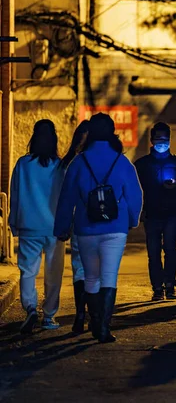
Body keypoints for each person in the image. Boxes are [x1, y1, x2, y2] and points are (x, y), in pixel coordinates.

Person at [54, 113, 143, 343]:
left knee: (91, 277)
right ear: (113, 133)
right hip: (116, 226)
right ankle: (103, 327)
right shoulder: (122, 161)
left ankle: (94, 320)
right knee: (109, 276)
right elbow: (135, 195)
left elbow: (67, 198)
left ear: (90, 133)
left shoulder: (79, 162)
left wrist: (62, 227)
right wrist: (132, 219)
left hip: (86, 226)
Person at [9, 120, 65, 334]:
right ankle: (49, 316)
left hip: (28, 226)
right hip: (54, 227)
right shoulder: (60, 165)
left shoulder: (23, 164)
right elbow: (64, 198)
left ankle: (30, 307)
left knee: (28, 271)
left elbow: (15, 195)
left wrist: (14, 223)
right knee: (54, 273)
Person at [134, 122, 176, 301]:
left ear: (169, 140)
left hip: (172, 212)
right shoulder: (142, 164)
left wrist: (175, 188)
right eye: (158, 139)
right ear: (152, 140)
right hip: (151, 213)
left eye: (165, 139)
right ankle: (157, 287)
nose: (162, 143)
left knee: (170, 248)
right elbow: (135, 188)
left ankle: (170, 285)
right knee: (153, 251)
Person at [60, 120, 89, 334]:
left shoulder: (71, 163)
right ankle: (89, 313)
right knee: (91, 270)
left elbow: (64, 197)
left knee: (81, 270)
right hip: (93, 223)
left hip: (80, 223)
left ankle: (82, 313)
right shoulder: (102, 161)